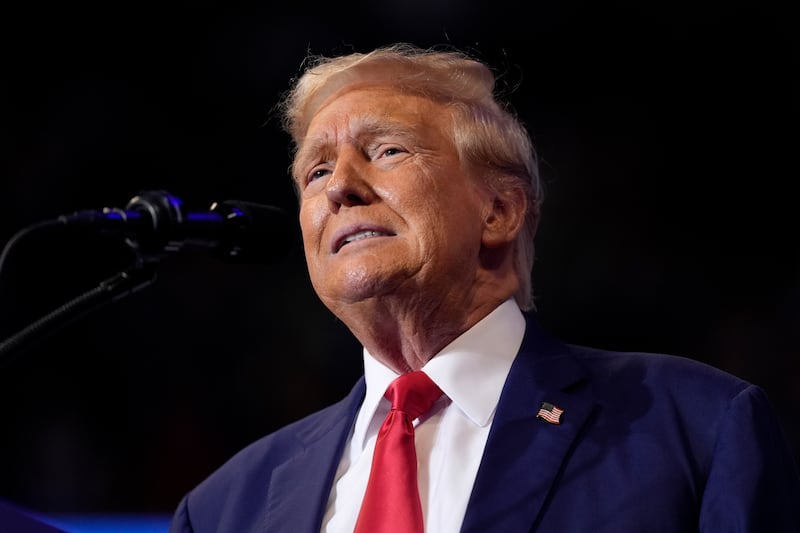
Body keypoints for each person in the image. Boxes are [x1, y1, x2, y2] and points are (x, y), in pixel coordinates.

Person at [168, 43, 800, 532]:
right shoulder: (228, 506)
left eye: (386, 150)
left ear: (499, 210)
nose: (340, 187)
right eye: (317, 170)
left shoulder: (696, 429)